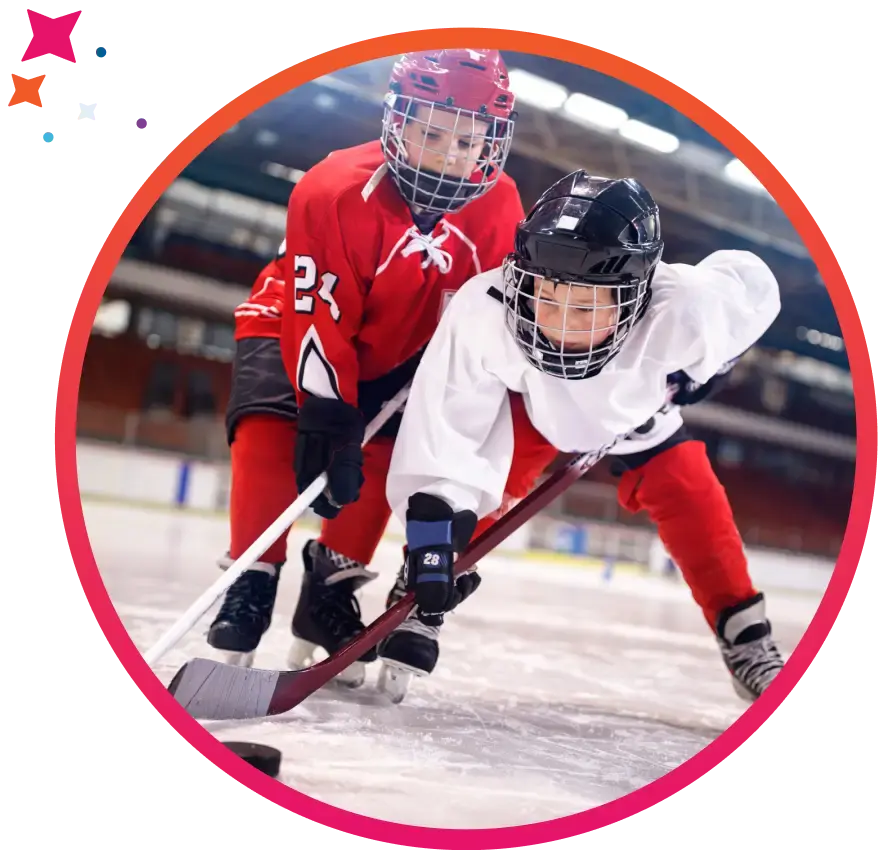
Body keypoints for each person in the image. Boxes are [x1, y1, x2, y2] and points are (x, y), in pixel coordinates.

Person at [381, 168, 787, 704]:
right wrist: (433, 543)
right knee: (481, 484)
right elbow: (451, 428)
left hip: (634, 415)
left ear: (636, 297)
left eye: (588, 306)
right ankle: (421, 595)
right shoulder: (487, 309)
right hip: (535, 405)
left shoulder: (685, 307)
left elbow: (752, 289)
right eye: (548, 296)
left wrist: (714, 360)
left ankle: (746, 636)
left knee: (693, 497)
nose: (560, 324)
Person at [207, 49, 526, 685]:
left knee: (385, 455)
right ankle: (252, 579)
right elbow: (319, 317)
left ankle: (329, 586)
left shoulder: (501, 210)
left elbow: (488, 325)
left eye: (469, 139)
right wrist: (327, 411)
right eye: (432, 131)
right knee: (277, 429)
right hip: (295, 322)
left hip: (408, 348)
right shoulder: (331, 189)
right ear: (397, 120)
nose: (450, 154)